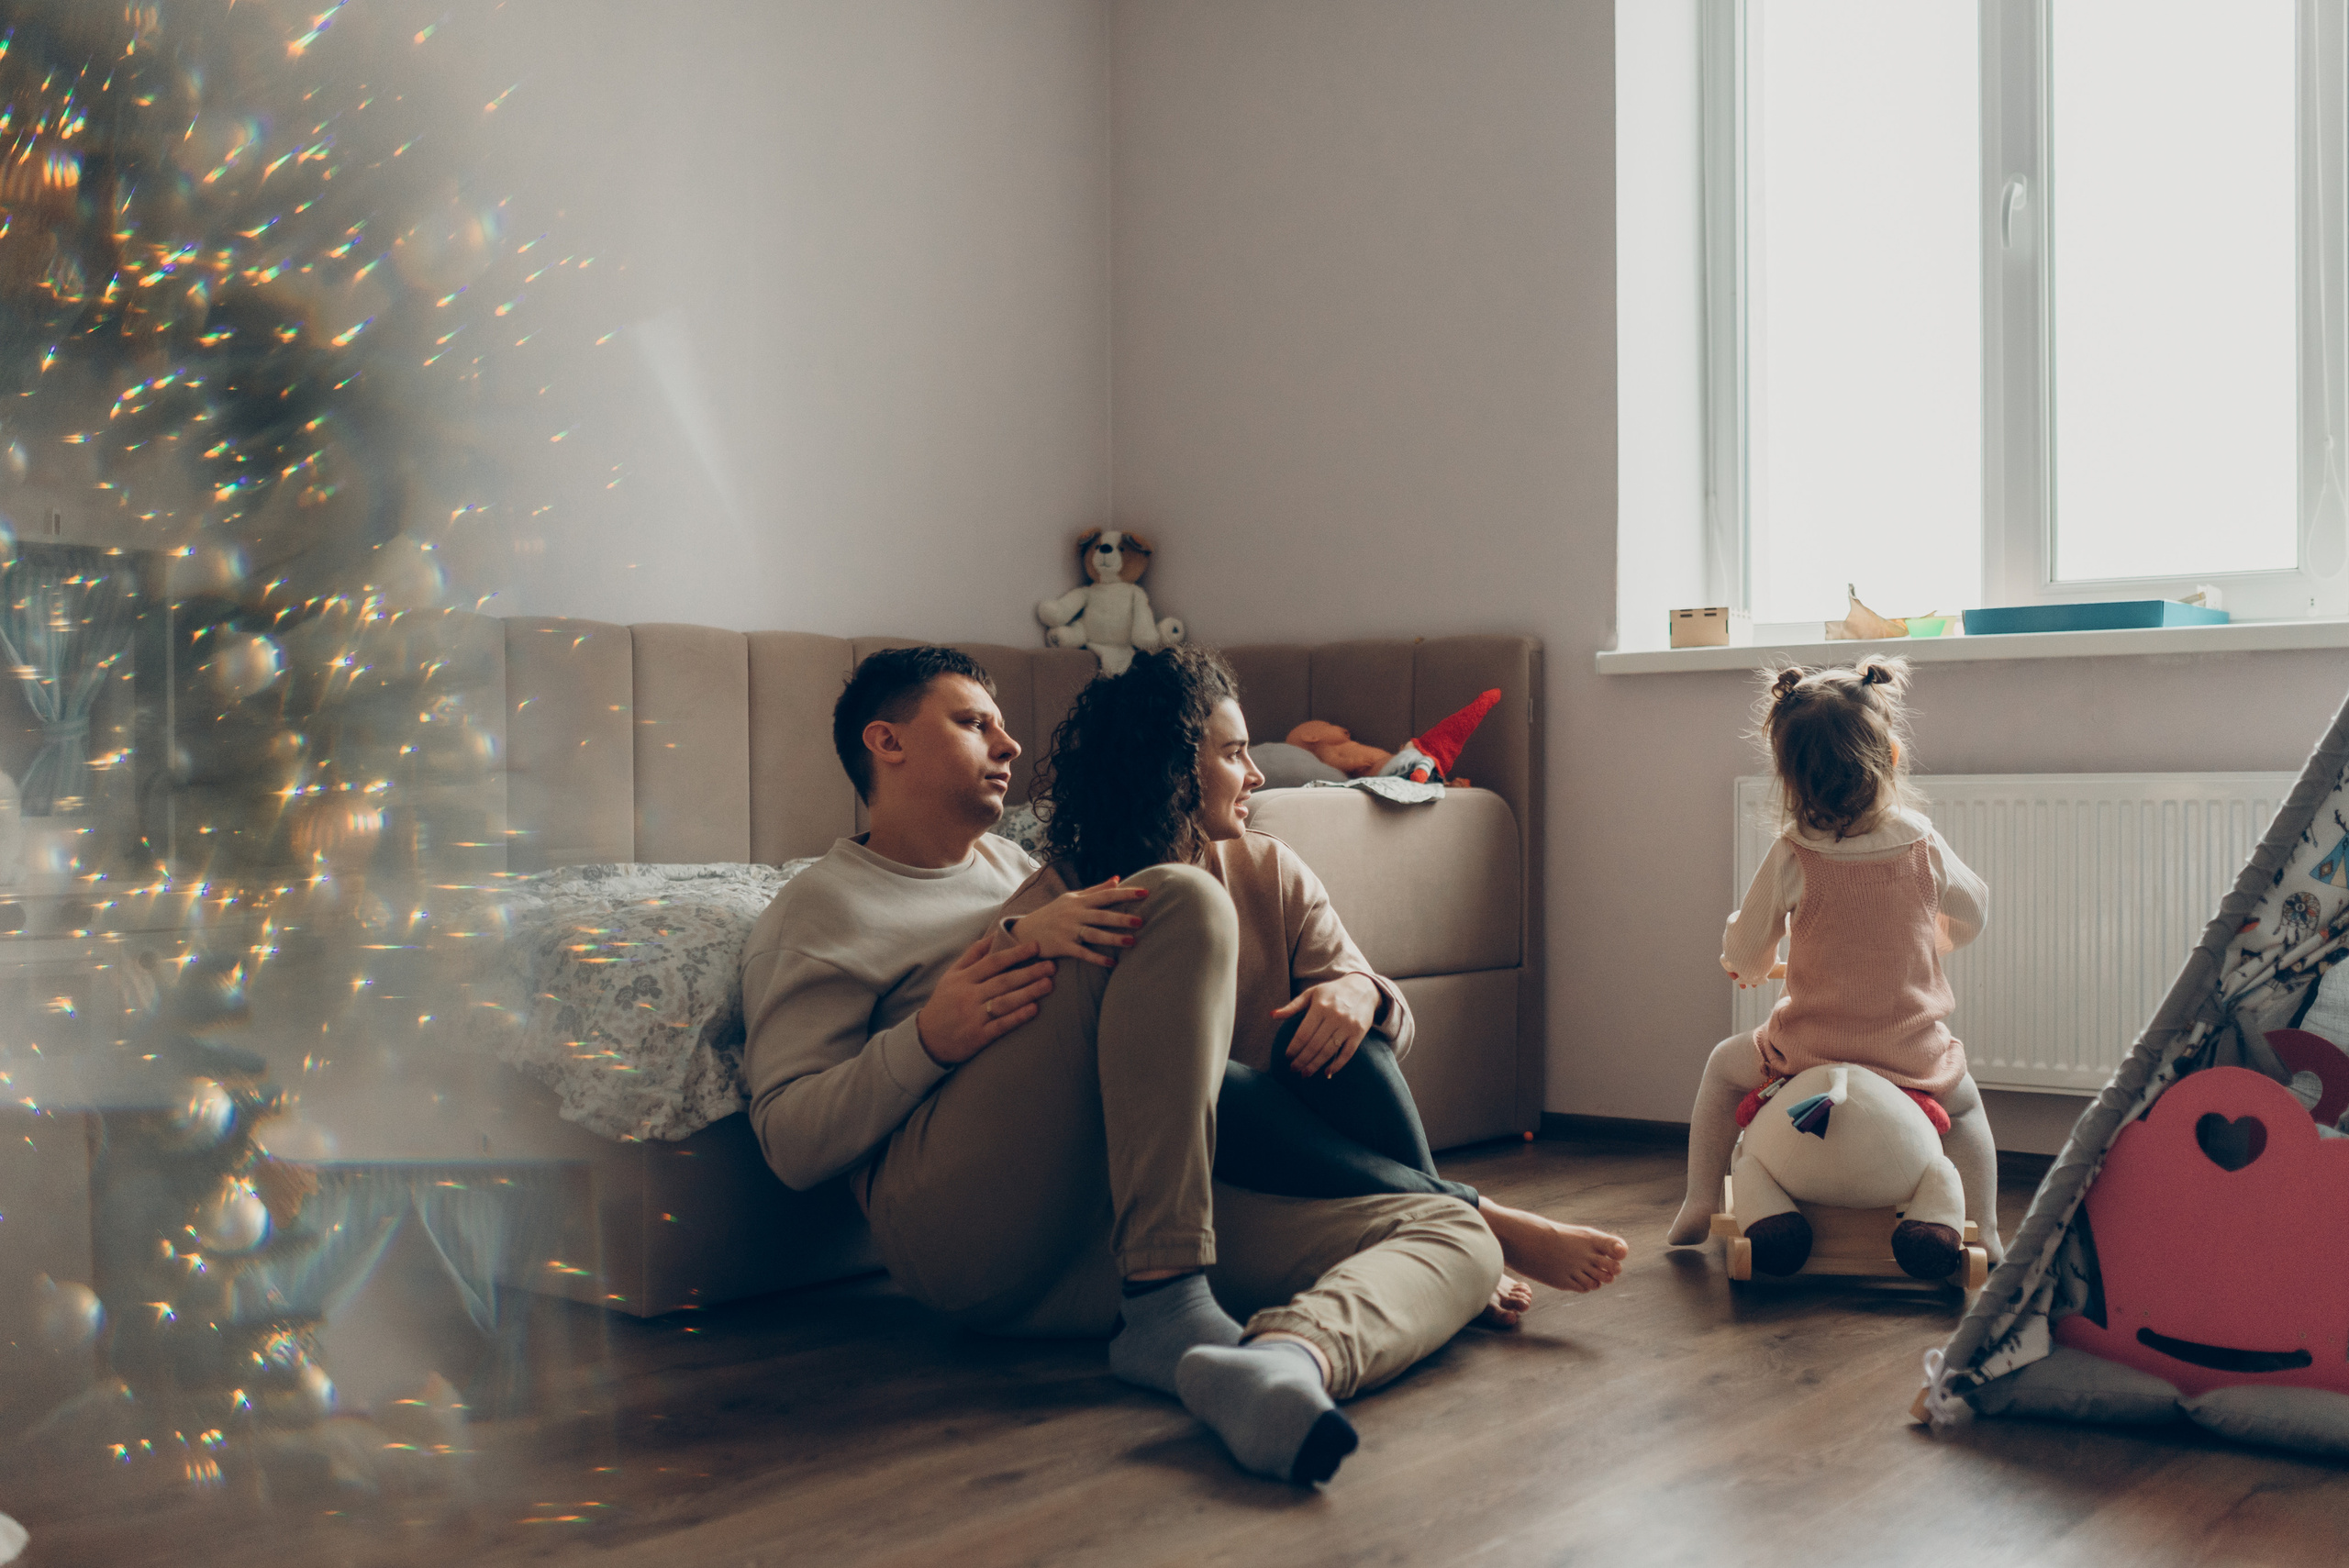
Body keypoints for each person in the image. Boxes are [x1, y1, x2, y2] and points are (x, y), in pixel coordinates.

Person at [740, 646, 1501, 1488]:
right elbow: (789, 1141)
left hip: (1105, 1226)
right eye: (972, 722)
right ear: (886, 742)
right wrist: (929, 1035)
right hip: (961, 1231)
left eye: (1002, 723)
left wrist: (1359, 990)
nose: (1010, 744)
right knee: (1176, 896)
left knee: (1454, 1236)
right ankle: (1170, 1300)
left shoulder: (1018, 874)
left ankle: (1288, 1361)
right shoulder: (818, 910)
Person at [1025, 646, 1627, 1335]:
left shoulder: (1268, 867)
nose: (1254, 775)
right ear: (1166, 766)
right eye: (1233, 755)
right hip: (1169, 1175)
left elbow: (1383, 1021)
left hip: (1297, 1141)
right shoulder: (1066, 893)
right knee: (1199, 1079)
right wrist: (1024, 934)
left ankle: (1444, 1229)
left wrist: (1359, 994)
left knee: (1345, 1039)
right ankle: (1474, 1220)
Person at [1663, 657, 2001, 1262]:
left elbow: (1748, 947)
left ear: (1788, 779)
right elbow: (1974, 909)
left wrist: (1742, 960)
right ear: (1892, 757)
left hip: (1810, 1047)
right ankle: (1989, 1228)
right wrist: (1939, 935)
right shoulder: (1922, 840)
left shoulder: (1795, 852)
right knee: (1969, 1105)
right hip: (1911, 1054)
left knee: (1721, 1068)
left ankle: (1697, 1199)